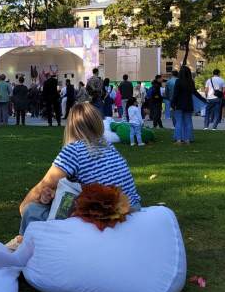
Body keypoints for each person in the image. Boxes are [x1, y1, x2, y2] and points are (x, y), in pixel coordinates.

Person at [13, 102, 142, 243]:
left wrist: (23, 207)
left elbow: (45, 183)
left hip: (105, 220)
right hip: (131, 212)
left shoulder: (74, 151)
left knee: (32, 211)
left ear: (71, 126)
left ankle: (28, 251)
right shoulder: (108, 146)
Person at [171, 66, 206, 144]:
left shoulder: (178, 81)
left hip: (179, 104)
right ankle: (188, 139)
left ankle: (179, 139)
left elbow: (175, 94)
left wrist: (172, 104)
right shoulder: (191, 82)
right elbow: (195, 93)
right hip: (189, 104)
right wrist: (203, 99)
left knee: (178, 122)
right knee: (188, 122)